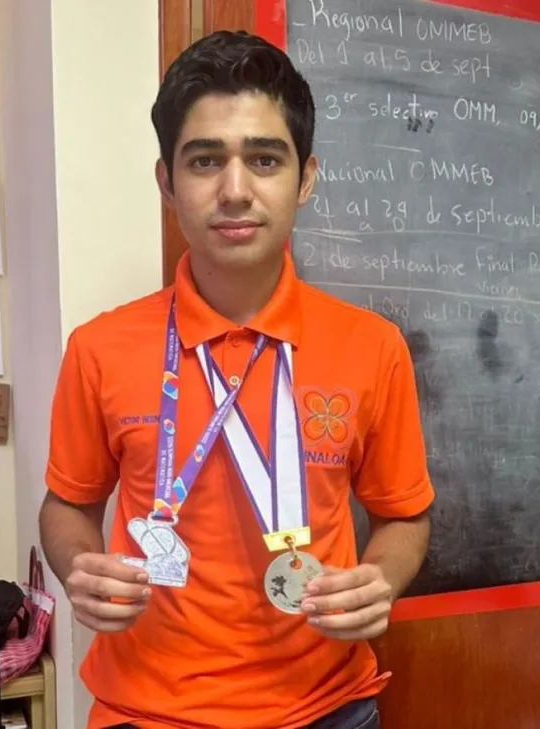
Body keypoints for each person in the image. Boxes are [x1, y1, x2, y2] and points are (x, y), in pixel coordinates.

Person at [39, 30, 433, 729]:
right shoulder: (99, 348)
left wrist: (383, 577)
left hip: (328, 709)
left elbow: (404, 514)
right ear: (167, 182)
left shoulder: (373, 347)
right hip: (145, 711)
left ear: (305, 178)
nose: (234, 189)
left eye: (264, 158)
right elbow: (66, 506)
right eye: (204, 160)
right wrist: (80, 567)